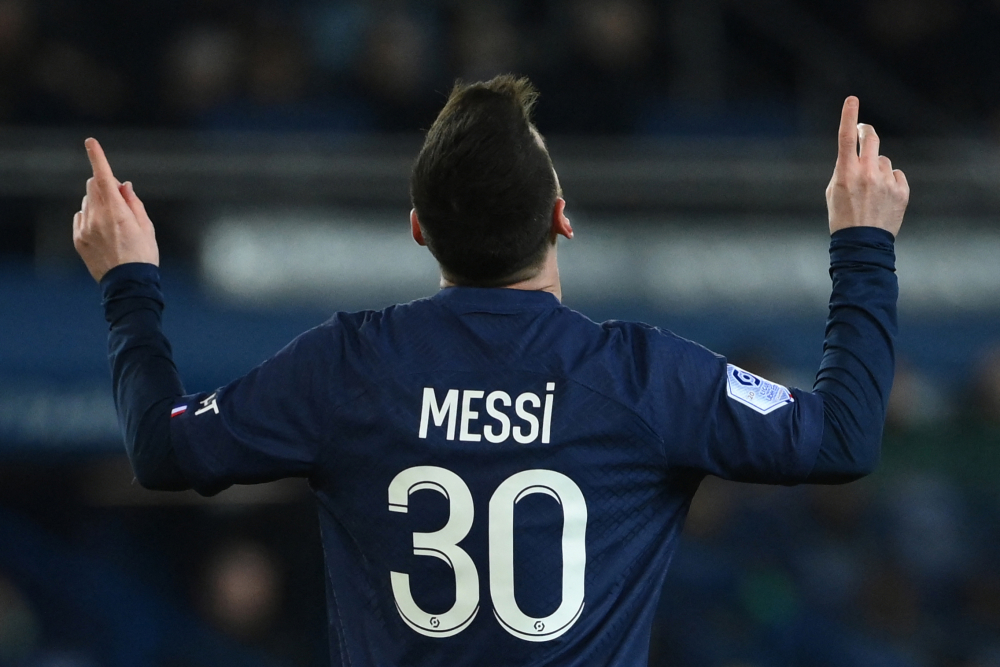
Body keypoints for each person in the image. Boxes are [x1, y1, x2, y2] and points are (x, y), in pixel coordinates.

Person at [73, 75, 908, 666]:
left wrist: (128, 286)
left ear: (417, 229)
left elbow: (164, 446)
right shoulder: (642, 374)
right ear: (560, 218)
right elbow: (841, 436)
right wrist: (862, 243)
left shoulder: (347, 364)